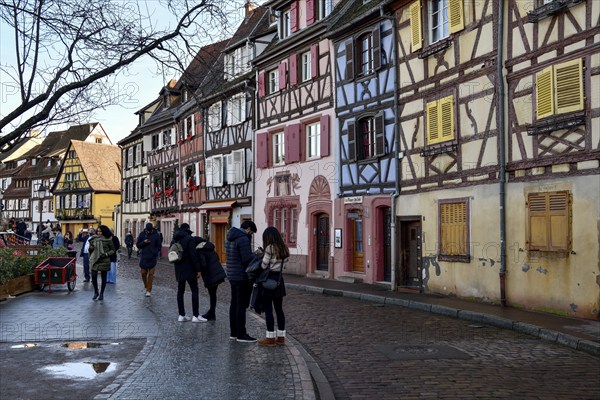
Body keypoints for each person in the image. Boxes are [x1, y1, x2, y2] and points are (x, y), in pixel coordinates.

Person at [255, 227, 289, 346]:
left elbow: (264, 265)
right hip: (279, 281)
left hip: (268, 281)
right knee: (279, 310)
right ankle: (281, 337)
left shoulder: (270, 248)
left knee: (269, 310)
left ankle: (270, 338)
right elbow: (284, 267)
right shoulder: (284, 248)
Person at [225, 220, 258, 343]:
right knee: (241, 305)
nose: (251, 234)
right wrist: (256, 255)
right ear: (248, 229)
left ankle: (233, 332)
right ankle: (241, 334)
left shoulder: (229, 237)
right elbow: (246, 259)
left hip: (232, 274)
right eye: (252, 232)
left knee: (234, 304)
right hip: (241, 275)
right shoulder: (243, 239)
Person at [171, 223, 206, 322]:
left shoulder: (175, 239)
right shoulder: (189, 239)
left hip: (179, 268)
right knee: (194, 290)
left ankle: (181, 315)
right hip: (190, 268)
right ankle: (195, 315)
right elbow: (193, 255)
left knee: (180, 291)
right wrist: (198, 269)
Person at [195, 236, 226, 321]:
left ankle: (211, 314)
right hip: (218, 272)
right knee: (213, 295)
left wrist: (200, 271)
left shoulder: (200, 250)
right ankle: (212, 313)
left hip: (211, 275)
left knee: (212, 295)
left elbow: (203, 264)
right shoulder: (210, 248)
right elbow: (217, 258)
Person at [88, 225, 116, 301]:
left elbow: (113, 250)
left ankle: (101, 294)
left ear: (104, 231)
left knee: (103, 277)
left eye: (100, 231)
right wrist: (91, 249)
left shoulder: (108, 239)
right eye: (98, 231)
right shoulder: (94, 239)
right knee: (93, 276)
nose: (99, 233)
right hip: (95, 259)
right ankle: (96, 291)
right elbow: (90, 250)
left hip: (104, 259)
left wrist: (106, 254)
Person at [136, 223, 161, 297]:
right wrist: (144, 242)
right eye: (147, 231)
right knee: (143, 273)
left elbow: (159, 245)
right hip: (144, 256)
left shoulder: (156, 235)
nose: (149, 232)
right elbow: (138, 245)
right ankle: (146, 286)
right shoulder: (142, 234)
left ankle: (149, 290)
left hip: (152, 257)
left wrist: (155, 252)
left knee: (151, 274)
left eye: (150, 231)